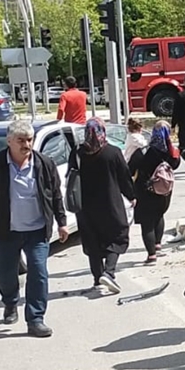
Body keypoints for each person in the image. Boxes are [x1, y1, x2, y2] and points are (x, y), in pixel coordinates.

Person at [0, 118, 68, 337]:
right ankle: (10, 302)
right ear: (9, 141)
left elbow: (54, 194)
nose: (26, 145)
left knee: (39, 271)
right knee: (6, 273)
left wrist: (62, 222)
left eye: (30, 140)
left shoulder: (44, 163)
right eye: (21, 140)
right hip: (6, 231)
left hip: (37, 230)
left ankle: (35, 318)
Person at [74, 118, 135, 295]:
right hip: (110, 204)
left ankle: (97, 278)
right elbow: (124, 177)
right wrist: (131, 196)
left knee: (92, 241)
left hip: (85, 207)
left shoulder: (78, 153)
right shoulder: (112, 152)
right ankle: (109, 271)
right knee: (117, 236)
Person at [129, 121, 181, 265]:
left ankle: (151, 255)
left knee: (147, 223)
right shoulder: (171, 152)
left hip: (146, 192)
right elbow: (176, 165)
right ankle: (157, 245)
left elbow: (130, 169)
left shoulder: (144, 151)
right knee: (159, 216)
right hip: (164, 192)